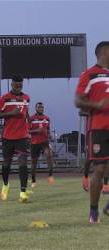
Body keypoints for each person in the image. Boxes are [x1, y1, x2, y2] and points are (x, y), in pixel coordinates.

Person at [75, 41, 109, 223]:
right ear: (104, 52)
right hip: (99, 128)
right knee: (100, 168)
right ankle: (94, 211)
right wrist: (97, 105)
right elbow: (78, 100)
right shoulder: (90, 74)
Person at [0, 74, 30, 203]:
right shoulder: (5, 99)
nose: (18, 87)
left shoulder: (26, 98)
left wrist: (28, 126)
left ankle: (23, 192)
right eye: (16, 85)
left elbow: (26, 113)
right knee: (6, 164)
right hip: (8, 136)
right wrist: (11, 113)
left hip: (22, 136)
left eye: (20, 85)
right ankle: (5, 184)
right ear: (11, 84)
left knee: (22, 162)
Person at [29, 102, 54, 187]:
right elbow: (27, 130)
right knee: (34, 163)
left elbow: (48, 130)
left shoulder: (47, 118)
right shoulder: (31, 118)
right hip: (34, 143)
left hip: (44, 142)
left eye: (42, 107)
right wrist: (36, 131)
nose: (41, 109)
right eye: (39, 107)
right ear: (36, 108)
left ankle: (50, 176)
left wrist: (50, 135)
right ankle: (33, 180)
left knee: (49, 155)